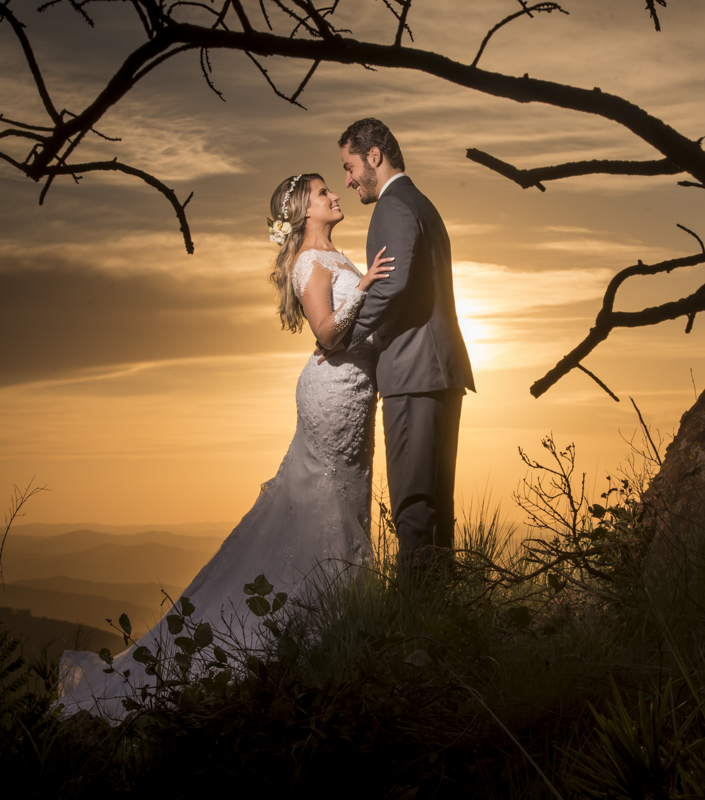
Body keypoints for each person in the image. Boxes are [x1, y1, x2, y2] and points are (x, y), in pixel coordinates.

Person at [57, 173, 394, 720]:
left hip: (355, 395)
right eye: (322, 192)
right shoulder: (310, 262)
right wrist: (366, 286)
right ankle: (308, 640)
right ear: (304, 210)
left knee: (345, 504)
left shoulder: (332, 254)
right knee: (325, 510)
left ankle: (338, 635)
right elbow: (328, 334)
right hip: (332, 397)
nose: (334, 194)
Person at [332, 118, 475, 571]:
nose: (348, 180)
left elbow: (391, 287)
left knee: (413, 506)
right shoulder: (422, 204)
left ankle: (417, 607)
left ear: (374, 156)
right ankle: (442, 605)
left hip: (412, 372)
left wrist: (344, 337)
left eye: (349, 166)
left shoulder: (392, 206)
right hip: (440, 370)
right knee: (437, 504)